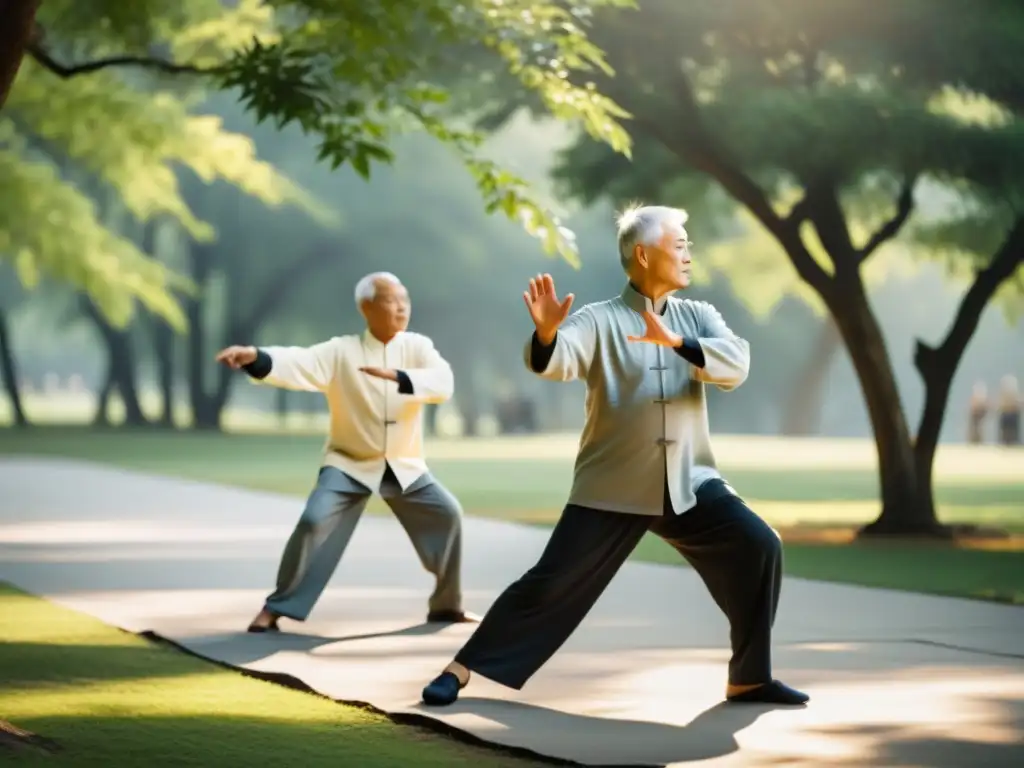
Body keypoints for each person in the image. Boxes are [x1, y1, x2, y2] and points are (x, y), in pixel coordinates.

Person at [420, 204, 809, 708]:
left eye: (688, 243)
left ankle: (750, 677)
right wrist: (545, 334)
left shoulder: (699, 316)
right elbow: (558, 361)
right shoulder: (598, 319)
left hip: (689, 482)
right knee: (550, 582)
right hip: (614, 484)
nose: (689, 253)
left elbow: (736, 364)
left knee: (759, 545)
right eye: (680, 244)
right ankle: (461, 668)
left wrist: (677, 341)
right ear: (644, 255)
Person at [215, 272, 476, 632]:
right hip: (348, 463)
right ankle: (276, 607)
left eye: (405, 300)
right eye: (390, 300)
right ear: (366, 308)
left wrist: (399, 376)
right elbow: (297, 362)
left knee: (449, 515)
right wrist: (255, 357)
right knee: (313, 522)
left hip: (403, 464)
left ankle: (447, 606)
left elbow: (443, 382)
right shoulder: (342, 351)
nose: (401, 307)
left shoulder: (418, 348)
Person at [997, 375, 1021, 446]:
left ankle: (1011, 442)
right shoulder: (1003, 397)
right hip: (1006, 415)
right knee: (1005, 434)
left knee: (1013, 434)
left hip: (1012, 415)